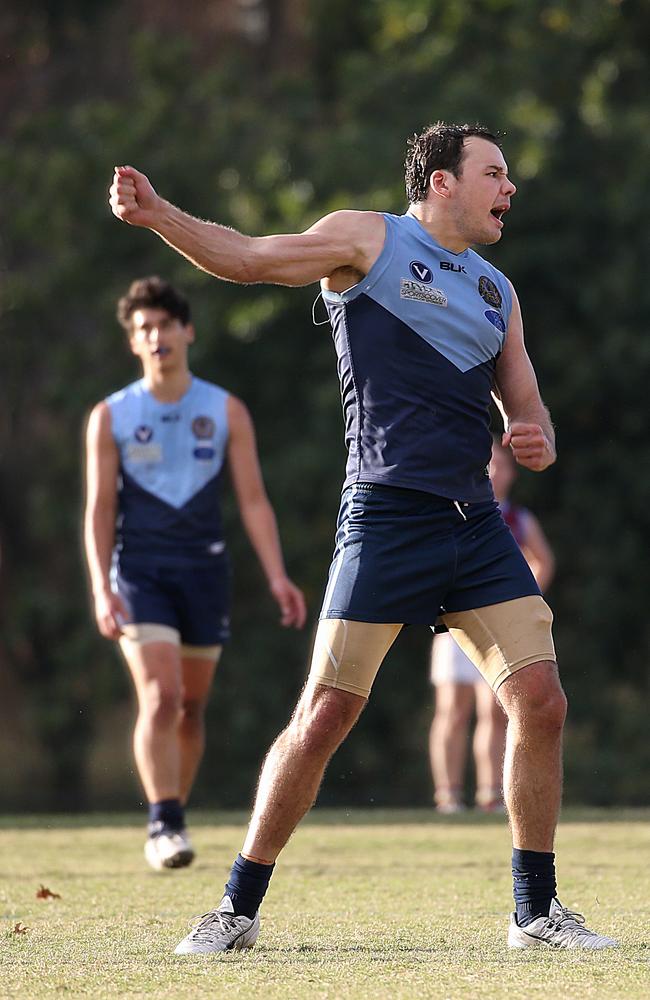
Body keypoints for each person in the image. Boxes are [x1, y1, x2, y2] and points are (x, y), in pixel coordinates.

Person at [108, 123, 617, 950]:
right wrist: (161, 214)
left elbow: (527, 406)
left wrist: (538, 436)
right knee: (325, 715)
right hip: (385, 516)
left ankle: (535, 912)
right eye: (496, 172)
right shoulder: (368, 238)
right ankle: (235, 910)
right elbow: (245, 258)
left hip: (474, 527)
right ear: (442, 183)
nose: (510, 188)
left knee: (541, 700)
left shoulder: (498, 292)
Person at [84, 276, 306, 871]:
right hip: (139, 573)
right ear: (133, 342)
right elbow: (99, 509)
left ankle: (171, 816)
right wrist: (102, 586)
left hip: (204, 573)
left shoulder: (225, 409)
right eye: (143, 330)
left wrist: (277, 576)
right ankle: (165, 821)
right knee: (161, 695)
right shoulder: (111, 416)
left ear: (188, 331)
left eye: (164, 325)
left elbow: (254, 500)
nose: (155, 337)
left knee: (190, 708)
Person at [430, 436, 556, 814]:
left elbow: (543, 561)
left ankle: (490, 792)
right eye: (490, 466)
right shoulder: (455, 511)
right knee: (452, 708)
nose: (496, 473)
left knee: (496, 711)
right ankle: (447, 794)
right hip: (455, 624)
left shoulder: (518, 519)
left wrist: (522, 601)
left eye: (502, 466)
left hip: (498, 628)